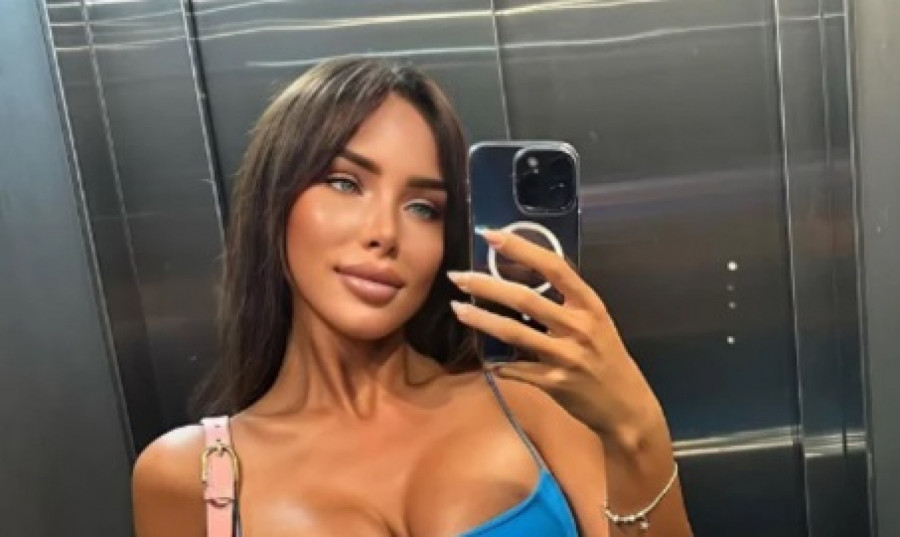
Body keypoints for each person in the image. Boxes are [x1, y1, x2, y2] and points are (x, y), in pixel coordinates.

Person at [132, 57, 693, 537]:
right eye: (345, 183)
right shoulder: (190, 476)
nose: (385, 232)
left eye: (423, 207)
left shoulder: (531, 402)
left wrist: (637, 432)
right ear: (274, 202)